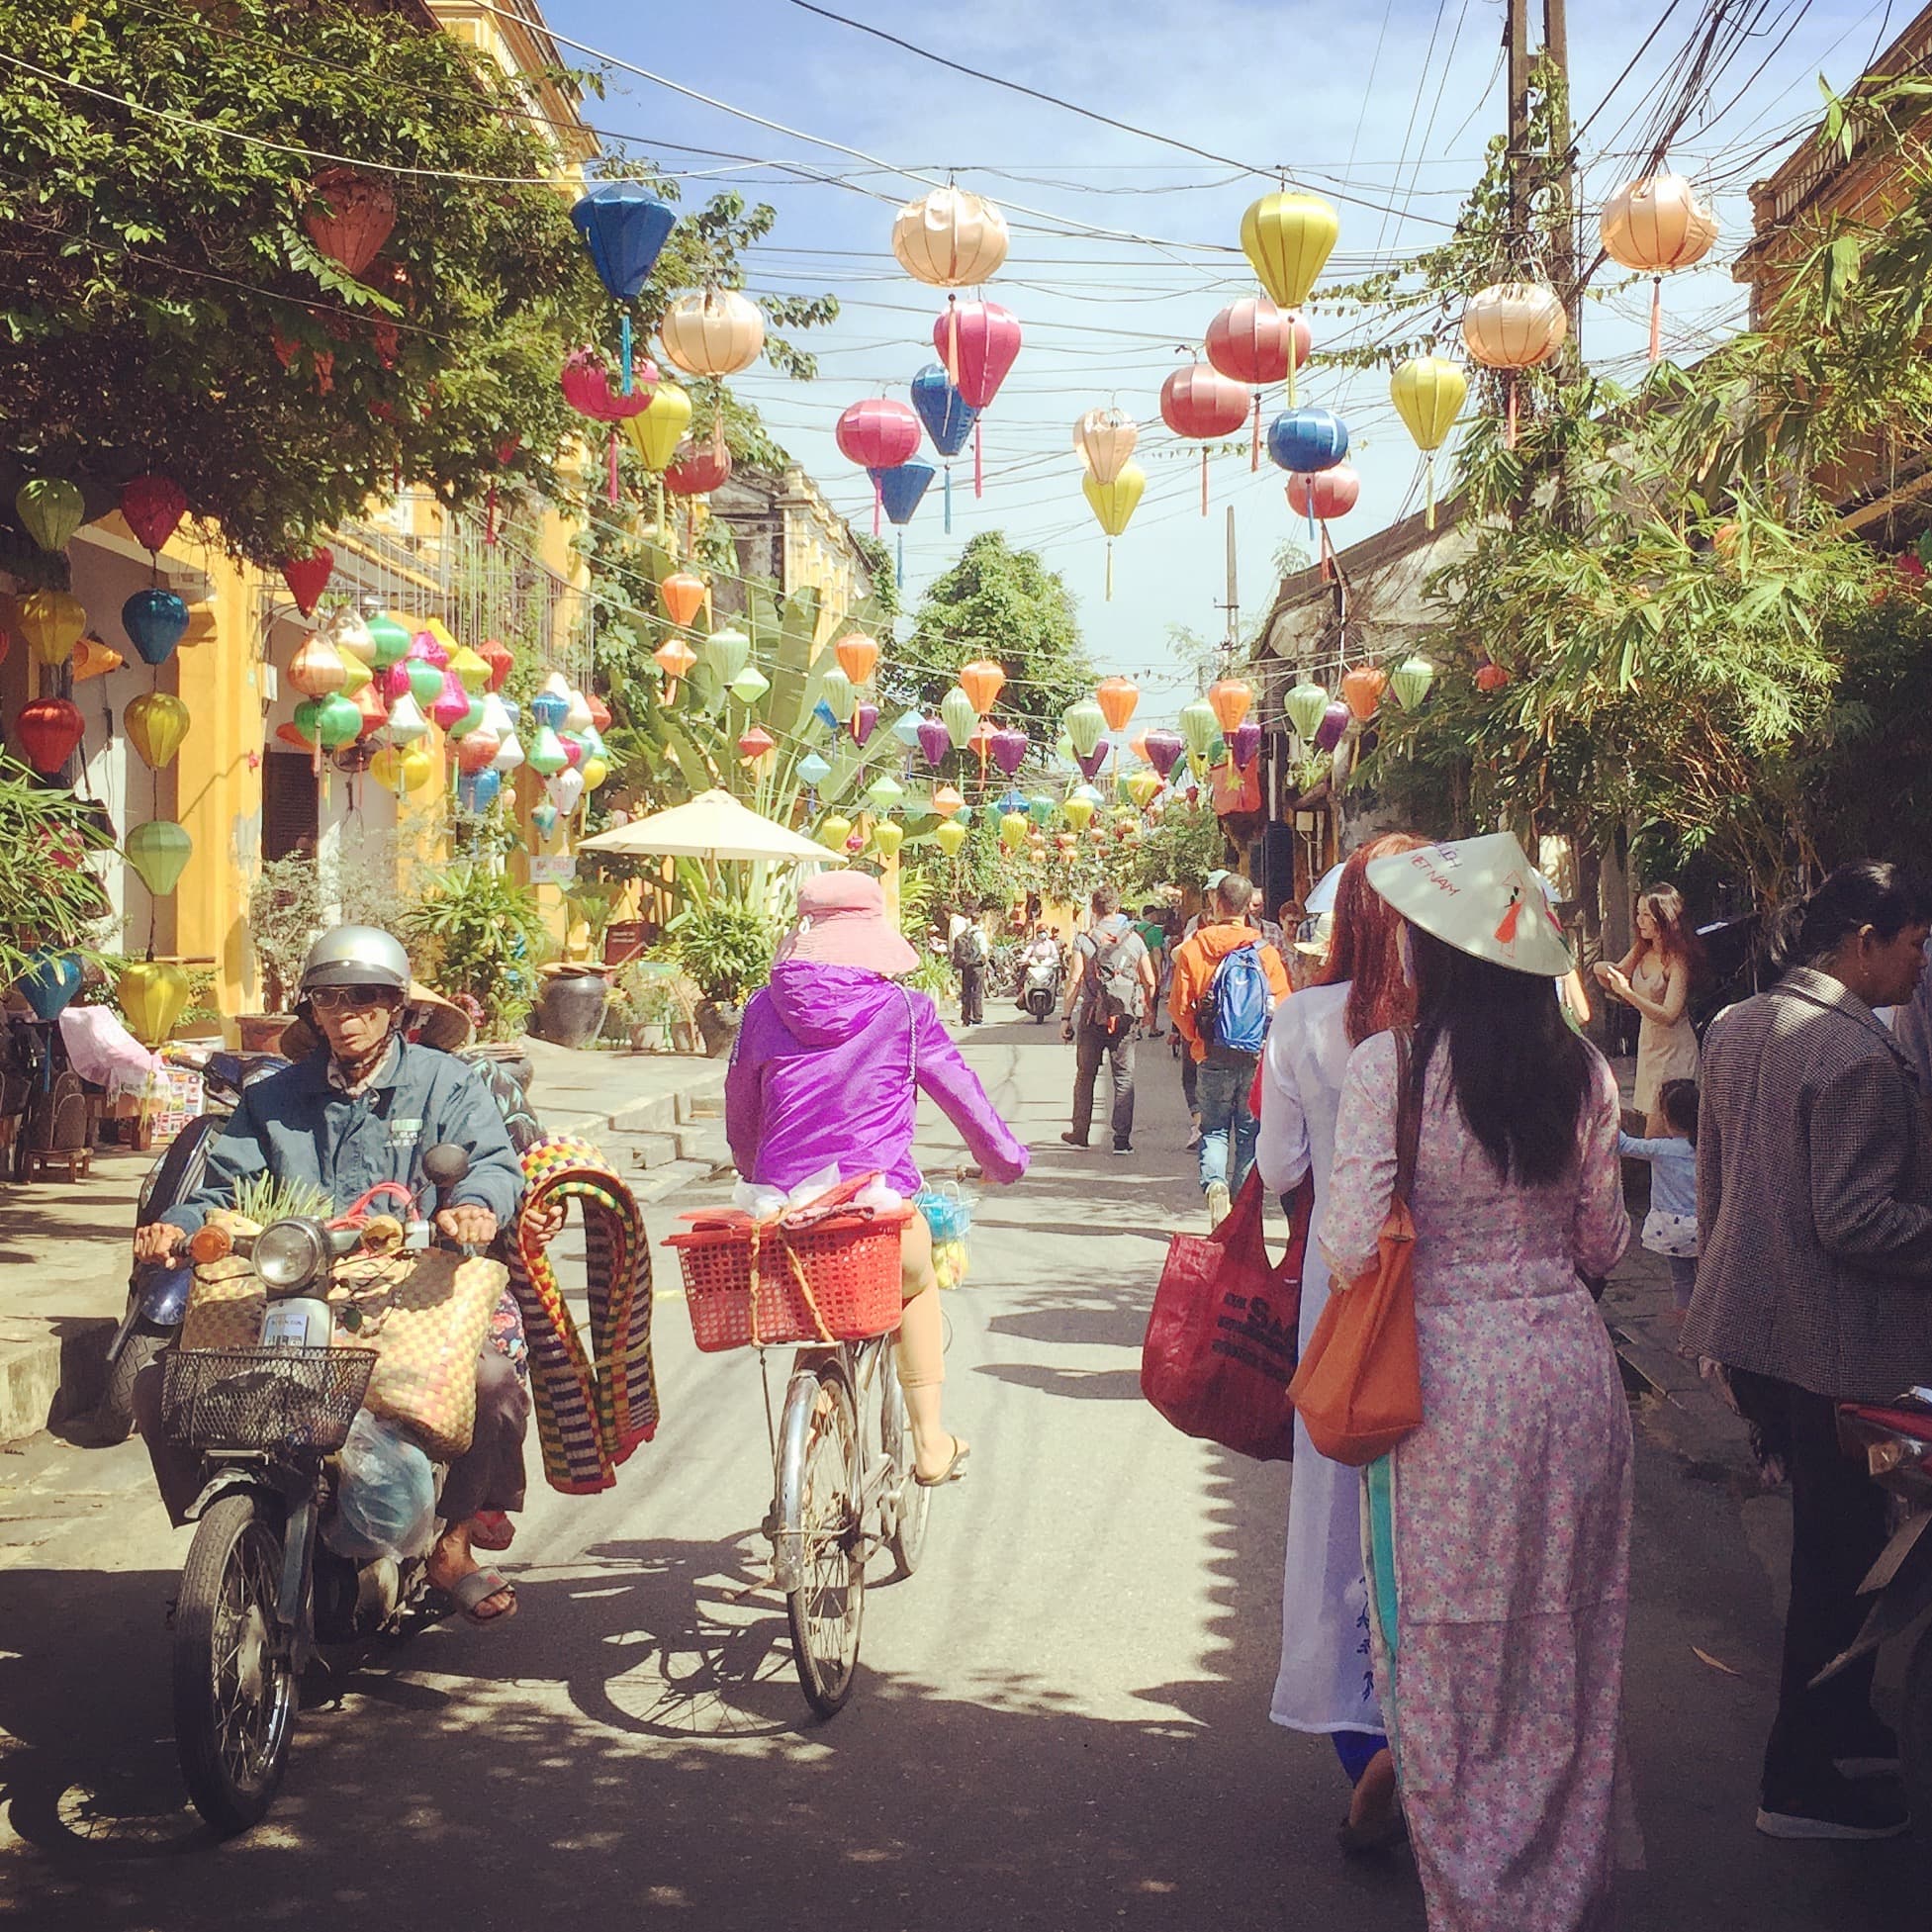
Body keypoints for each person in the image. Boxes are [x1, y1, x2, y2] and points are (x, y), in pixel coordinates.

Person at [1321, 833, 1631, 1930]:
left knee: (1443, 1640)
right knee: (1562, 1634)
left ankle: (1473, 1893)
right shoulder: (1585, 1072)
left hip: (1439, 1390)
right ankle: (1554, 1884)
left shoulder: (1392, 1069)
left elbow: (1353, 1246)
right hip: (1567, 1379)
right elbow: (1604, 1242)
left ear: (1440, 954)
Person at [133, 926, 534, 1626]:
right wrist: (178, 1221)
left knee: (492, 1384)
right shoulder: (274, 1096)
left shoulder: (447, 1082)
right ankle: (230, 1534)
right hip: (287, 1288)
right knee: (159, 1384)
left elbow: (495, 1163)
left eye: (365, 998)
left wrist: (472, 1206)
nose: (346, 1013)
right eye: (328, 998)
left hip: (413, 1288)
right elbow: (222, 1184)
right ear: (310, 1010)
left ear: (397, 1007)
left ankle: (451, 1542)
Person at [1685, 861, 1932, 1841]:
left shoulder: (1739, 1025)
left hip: (1753, 1336)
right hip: (1835, 1349)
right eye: (1915, 943)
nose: (1922, 962)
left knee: (1842, 1546)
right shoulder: (1858, 1056)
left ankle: (1841, 1724)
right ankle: (1799, 1779)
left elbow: (1715, 1184)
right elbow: (1855, 1218)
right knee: (1841, 1557)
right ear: (1864, 939)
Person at [726, 874, 1029, 1486]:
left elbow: (741, 1112)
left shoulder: (762, 1009)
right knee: (915, 1282)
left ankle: (800, 1481)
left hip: (786, 1216)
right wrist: (1003, 1164)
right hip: (875, 1214)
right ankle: (929, 1442)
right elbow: (965, 1098)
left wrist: (758, 1174)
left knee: (819, 1309)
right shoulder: (904, 1010)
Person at [1255, 832, 1424, 1855]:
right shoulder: (1459, 1025)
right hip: (1447, 1290)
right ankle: (1436, 1733)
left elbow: (1277, 1169)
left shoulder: (1303, 1019)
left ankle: (1363, 1745)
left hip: (1342, 1287)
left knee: (1339, 1512)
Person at [1169, 872, 1289, 1224]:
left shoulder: (1194, 947)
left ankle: (1215, 1184)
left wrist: (1198, 1041)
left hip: (1212, 1055)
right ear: (1247, 906)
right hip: (1254, 1056)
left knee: (1215, 1128)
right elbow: (1281, 1004)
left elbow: (1179, 1007)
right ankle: (1239, 1214)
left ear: (1216, 904)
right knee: (1249, 1133)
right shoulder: (1264, 951)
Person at [1060, 885, 1155, 1154]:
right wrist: (1147, 1009)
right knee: (1124, 1077)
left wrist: (1066, 1017)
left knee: (1086, 1074)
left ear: (1094, 908)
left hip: (1092, 1015)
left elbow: (1075, 979)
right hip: (1125, 1016)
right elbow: (1149, 979)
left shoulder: (1085, 939)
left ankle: (1080, 1133)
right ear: (1117, 907)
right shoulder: (1134, 939)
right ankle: (1122, 1142)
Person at [1595, 882, 1702, 1115]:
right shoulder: (1642, 949)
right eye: (1638, 913)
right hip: (1649, 1046)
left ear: (1663, 918)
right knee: (1649, 1119)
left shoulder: (1677, 961)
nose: (1639, 920)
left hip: (1675, 1050)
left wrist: (1628, 993)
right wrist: (1603, 972)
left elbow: (1670, 1014)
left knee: (1661, 1127)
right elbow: (1618, 978)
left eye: (1646, 915)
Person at [1618, 1077, 1700, 1310]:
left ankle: (1686, 1333)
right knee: (1707, 1281)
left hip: (1672, 1231)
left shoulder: (1660, 1149)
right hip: (1705, 1228)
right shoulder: (1708, 1148)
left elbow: (1623, 1145)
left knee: (1682, 1281)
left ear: (1667, 1119)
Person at [950, 905, 991, 1026]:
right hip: (977, 966)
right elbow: (984, 953)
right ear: (979, 921)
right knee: (977, 992)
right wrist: (985, 963)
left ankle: (966, 1017)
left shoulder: (965, 933)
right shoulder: (980, 934)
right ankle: (977, 1017)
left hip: (966, 965)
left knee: (966, 991)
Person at [1134, 904, 1168, 1036]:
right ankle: (1152, 1028)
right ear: (1152, 915)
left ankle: (1136, 1029)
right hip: (1149, 966)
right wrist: (1159, 971)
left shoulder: (1134, 929)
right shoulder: (1155, 931)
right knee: (1152, 998)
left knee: (1137, 997)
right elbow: (1156, 952)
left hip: (1136, 967)